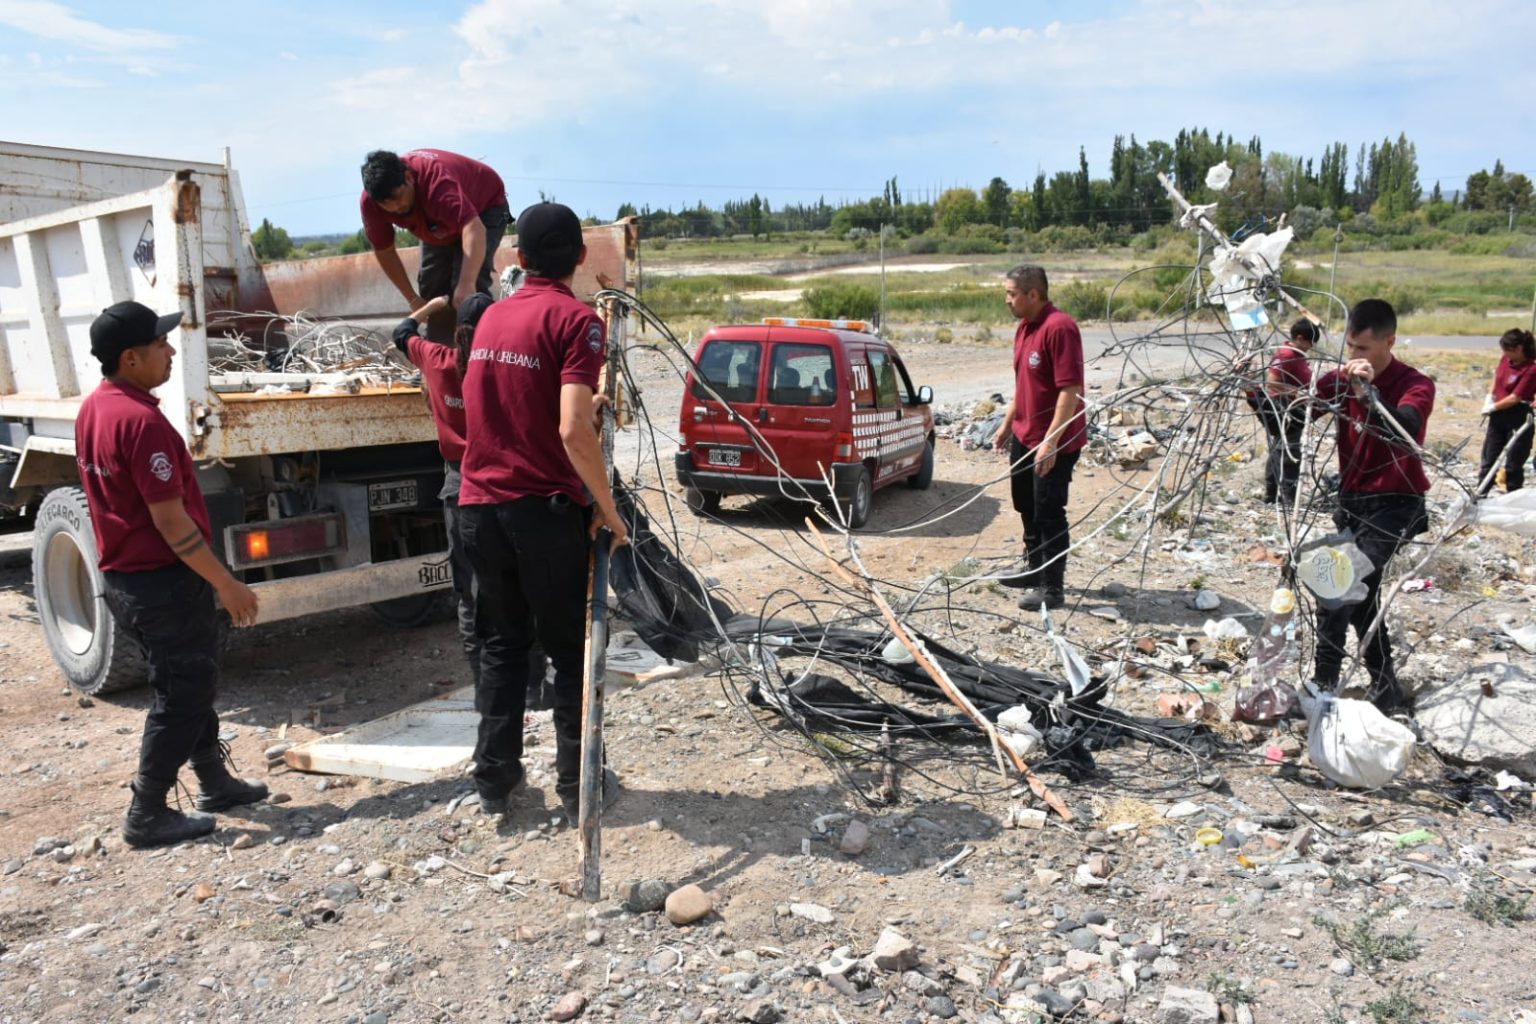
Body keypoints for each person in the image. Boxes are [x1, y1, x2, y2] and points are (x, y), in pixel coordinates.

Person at [457, 202, 630, 819]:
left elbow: (510, 401)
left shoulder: (491, 320)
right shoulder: (578, 322)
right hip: (541, 512)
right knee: (571, 650)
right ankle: (577, 782)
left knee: (502, 645)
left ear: (519, 259)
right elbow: (571, 428)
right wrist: (608, 510)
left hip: (479, 508)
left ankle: (494, 781)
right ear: (580, 257)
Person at [75, 301, 267, 848]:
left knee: (193, 676)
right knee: (181, 692)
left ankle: (214, 781)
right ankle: (148, 810)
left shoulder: (97, 408)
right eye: (160, 344)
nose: (171, 350)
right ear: (130, 358)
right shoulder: (140, 422)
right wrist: (224, 582)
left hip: (129, 579)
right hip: (159, 580)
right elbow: (170, 521)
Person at [391, 295, 552, 707]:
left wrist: (430, 305)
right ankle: (532, 689)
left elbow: (401, 333)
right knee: (518, 590)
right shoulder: (502, 367)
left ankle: (486, 691)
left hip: (456, 488)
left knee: (468, 596)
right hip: (501, 486)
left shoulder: (436, 359)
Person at [1310, 299, 1434, 714]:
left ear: (1389, 342)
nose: (1355, 358)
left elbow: (1407, 431)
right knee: (1363, 599)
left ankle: (1322, 684)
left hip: (1396, 503)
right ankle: (1385, 685)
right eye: (1350, 348)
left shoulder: (1415, 383)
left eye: (1363, 349)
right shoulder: (1342, 380)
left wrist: (1368, 394)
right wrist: (1262, 389)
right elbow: (1291, 414)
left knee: (1339, 582)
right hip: (1353, 503)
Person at [993, 265, 1087, 610]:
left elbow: (1070, 391)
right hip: (1025, 434)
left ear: (1034, 294)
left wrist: (1051, 441)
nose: (1007, 300)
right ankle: (1033, 569)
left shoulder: (1059, 328)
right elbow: (1024, 385)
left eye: (1011, 293)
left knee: (1049, 511)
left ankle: (1052, 587)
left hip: (1055, 440)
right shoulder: (1024, 328)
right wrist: (1006, 425)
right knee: (1025, 505)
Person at [359, 148, 510, 336]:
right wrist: (412, 299)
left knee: (469, 291)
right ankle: (442, 353)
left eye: (398, 198)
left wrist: (466, 283)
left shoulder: (437, 184)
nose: (396, 208)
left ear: (408, 178)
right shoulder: (370, 203)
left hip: (484, 208)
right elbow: (384, 251)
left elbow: (473, 227)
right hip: (437, 224)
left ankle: (484, 351)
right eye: (386, 205)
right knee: (433, 287)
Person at [1258, 319, 1316, 505]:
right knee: (1287, 450)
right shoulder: (1286, 355)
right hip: (1284, 408)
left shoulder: (1297, 354)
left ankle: (1276, 494)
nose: (1311, 346)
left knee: (1282, 448)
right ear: (1300, 338)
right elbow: (1272, 382)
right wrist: (1296, 392)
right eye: (1310, 341)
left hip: (1294, 407)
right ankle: (1281, 495)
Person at [1477, 328, 1536, 495]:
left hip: (1518, 417)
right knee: (1489, 460)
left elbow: (1516, 397)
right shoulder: (1505, 360)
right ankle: (1480, 495)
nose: (1505, 354)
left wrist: (1493, 407)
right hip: (1498, 418)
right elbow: (1497, 379)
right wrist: (1490, 397)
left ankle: (1513, 498)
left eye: (1508, 350)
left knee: (1513, 464)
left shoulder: (1530, 369)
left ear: (1518, 349)